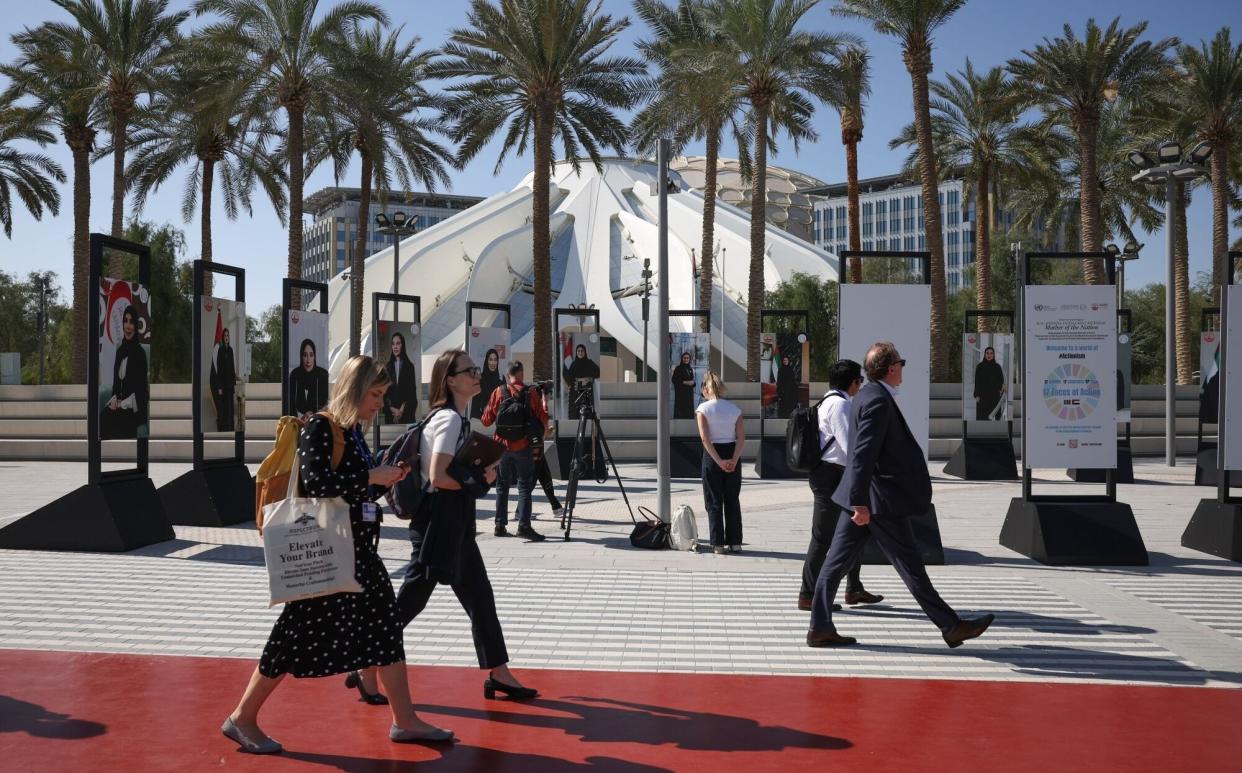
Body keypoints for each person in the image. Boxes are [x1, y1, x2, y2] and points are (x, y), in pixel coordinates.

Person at [222, 356, 453, 755]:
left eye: (382, 395)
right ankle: (242, 717)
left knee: (386, 628)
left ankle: (405, 719)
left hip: (357, 552)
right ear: (355, 390)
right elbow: (316, 484)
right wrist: (370, 477)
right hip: (328, 553)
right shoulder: (320, 427)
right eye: (375, 395)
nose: (380, 403)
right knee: (293, 632)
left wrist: (385, 480)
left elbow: (353, 490)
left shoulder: (352, 432)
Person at [807, 342, 995, 649]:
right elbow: (862, 454)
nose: (902, 369)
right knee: (910, 566)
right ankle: (951, 626)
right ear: (891, 368)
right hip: (876, 502)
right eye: (901, 364)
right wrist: (859, 502)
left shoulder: (868, 395)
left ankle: (819, 626)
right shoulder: (878, 400)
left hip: (867, 499)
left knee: (835, 564)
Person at [393, 348, 538, 702]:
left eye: (476, 369)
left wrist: (478, 475)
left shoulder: (452, 418)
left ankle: (499, 673)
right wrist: (481, 477)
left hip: (452, 523)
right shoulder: (450, 420)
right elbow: (438, 476)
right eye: (469, 370)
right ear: (451, 380)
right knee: (411, 600)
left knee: (479, 596)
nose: (476, 374)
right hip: (440, 524)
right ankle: (365, 665)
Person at [798, 360, 883, 612]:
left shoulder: (828, 400)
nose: (861, 385)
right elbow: (850, 449)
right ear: (853, 382)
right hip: (831, 476)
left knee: (853, 533)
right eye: (860, 380)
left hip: (832, 474)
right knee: (822, 538)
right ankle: (807, 595)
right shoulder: (840, 405)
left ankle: (854, 588)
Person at [481, 361, 548, 541]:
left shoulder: (498, 391)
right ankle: (524, 526)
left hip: (501, 447)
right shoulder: (531, 392)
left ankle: (499, 525)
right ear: (521, 373)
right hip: (523, 446)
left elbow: (486, 421)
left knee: (501, 486)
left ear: (507, 374)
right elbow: (543, 420)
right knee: (524, 486)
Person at [695, 371, 744, 554]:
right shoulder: (734, 409)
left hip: (712, 454)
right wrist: (733, 459)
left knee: (714, 499)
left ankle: (717, 543)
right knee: (732, 499)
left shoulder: (703, 409)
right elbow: (741, 438)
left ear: (706, 389)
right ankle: (735, 541)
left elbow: (705, 439)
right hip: (732, 452)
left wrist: (719, 461)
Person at [100, 305, 149, 440]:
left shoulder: (140, 354)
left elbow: (142, 391)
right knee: (101, 418)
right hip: (119, 407)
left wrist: (123, 403)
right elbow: (117, 384)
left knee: (107, 421)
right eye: (125, 321)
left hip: (133, 410)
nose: (128, 326)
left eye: (131, 322)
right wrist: (114, 400)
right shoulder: (120, 351)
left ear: (136, 326)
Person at [288, 338, 329, 420]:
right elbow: (291, 404)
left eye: (311, 355)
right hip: (297, 422)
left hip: (317, 421)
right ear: (301, 356)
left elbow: (324, 402)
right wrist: (299, 420)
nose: (308, 360)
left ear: (314, 356)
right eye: (305, 355)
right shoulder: (295, 375)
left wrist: (312, 414)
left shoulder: (322, 375)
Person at [383, 332, 419, 424]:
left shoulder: (410, 366)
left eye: (398, 343)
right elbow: (384, 393)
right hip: (391, 415)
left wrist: (401, 411)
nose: (395, 346)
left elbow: (412, 392)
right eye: (393, 344)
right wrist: (393, 410)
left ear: (402, 345)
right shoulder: (387, 367)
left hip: (406, 414)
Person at [210, 327, 237, 432]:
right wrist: (219, 386)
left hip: (230, 385)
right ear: (222, 337)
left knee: (231, 407)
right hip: (223, 385)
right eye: (225, 336)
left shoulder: (230, 350)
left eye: (227, 336)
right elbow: (219, 369)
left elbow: (232, 367)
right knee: (224, 407)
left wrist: (234, 383)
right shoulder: (221, 350)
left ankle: (231, 426)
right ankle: (223, 427)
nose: (226, 337)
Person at [973, 346, 1006, 421]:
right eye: (987, 353)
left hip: (994, 396)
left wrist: (1002, 387)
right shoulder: (980, 366)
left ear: (993, 355)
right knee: (982, 418)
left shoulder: (997, 367)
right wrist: (977, 395)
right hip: (983, 397)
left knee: (994, 416)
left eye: (991, 353)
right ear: (984, 354)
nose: (989, 355)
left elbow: (1001, 380)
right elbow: (977, 381)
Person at [471, 348, 503, 420]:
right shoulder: (480, 380)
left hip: (497, 424)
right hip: (482, 423)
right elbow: (474, 410)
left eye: (495, 360)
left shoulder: (501, 382)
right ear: (486, 361)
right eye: (490, 359)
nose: (493, 363)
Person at [671, 352, 696, 419]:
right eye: (684, 358)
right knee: (681, 411)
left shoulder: (690, 369)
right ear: (682, 359)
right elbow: (674, 380)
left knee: (689, 411)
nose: (686, 359)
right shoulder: (678, 368)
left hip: (689, 394)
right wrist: (684, 382)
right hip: (681, 395)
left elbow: (693, 381)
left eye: (687, 358)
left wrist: (693, 383)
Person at [776, 353, 799, 419]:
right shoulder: (780, 370)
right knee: (784, 398)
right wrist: (780, 389)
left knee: (793, 396)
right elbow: (779, 380)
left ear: (788, 361)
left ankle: (791, 414)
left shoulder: (790, 369)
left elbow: (793, 379)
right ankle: (784, 415)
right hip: (783, 389)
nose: (785, 361)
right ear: (783, 361)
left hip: (791, 388)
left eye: (786, 360)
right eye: (784, 360)